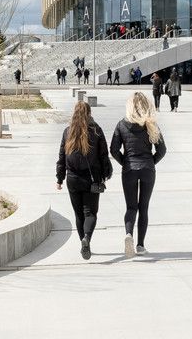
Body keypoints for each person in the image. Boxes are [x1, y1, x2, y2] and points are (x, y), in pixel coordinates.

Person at [110, 92, 166, 257]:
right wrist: (150, 162)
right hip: (148, 169)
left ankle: (128, 234)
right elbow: (162, 150)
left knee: (131, 207)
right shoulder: (151, 124)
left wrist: (125, 162)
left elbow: (113, 150)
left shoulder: (121, 124)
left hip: (129, 170)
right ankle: (140, 245)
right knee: (144, 207)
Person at [56, 101, 112, 260]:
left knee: (79, 214)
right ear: (89, 113)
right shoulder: (96, 130)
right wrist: (106, 174)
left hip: (72, 179)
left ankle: (83, 241)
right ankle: (86, 238)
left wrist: (59, 178)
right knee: (91, 213)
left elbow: (61, 157)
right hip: (91, 179)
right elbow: (103, 155)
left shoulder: (68, 132)